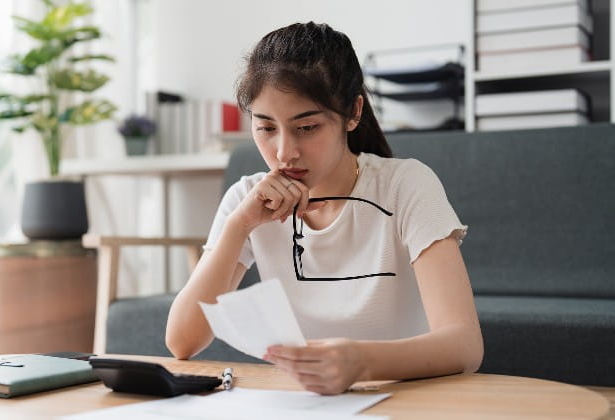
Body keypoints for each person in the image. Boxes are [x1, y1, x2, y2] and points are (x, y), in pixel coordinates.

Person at [166, 22, 483, 395]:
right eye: (266, 128)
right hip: (303, 409)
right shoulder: (248, 199)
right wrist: (240, 226)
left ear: (352, 113)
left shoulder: (405, 185)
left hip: (406, 400)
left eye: (307, 127)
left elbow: (464, 345)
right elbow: (182, 342)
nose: (284, 153)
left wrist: (360, 362)